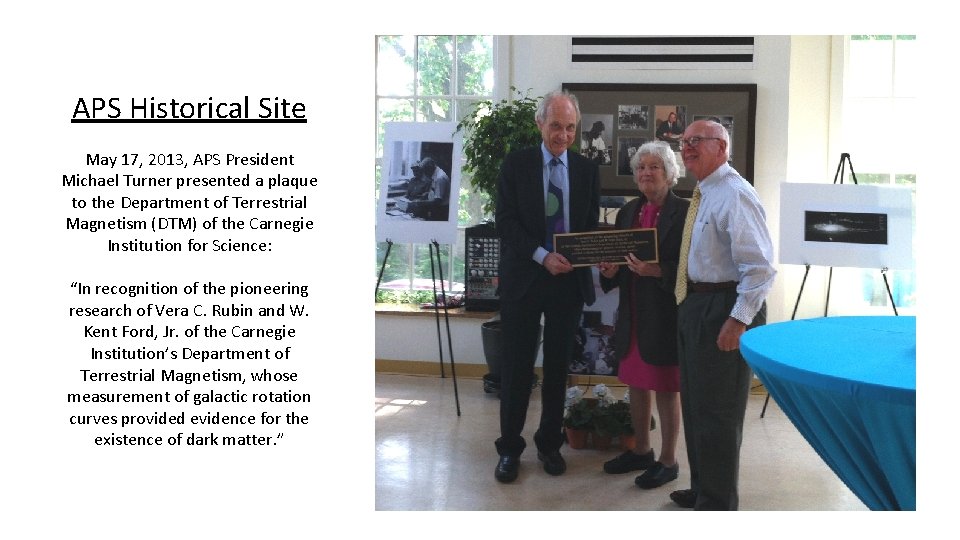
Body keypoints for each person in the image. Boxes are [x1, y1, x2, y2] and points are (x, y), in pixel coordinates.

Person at [493, 90, 600, 483]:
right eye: (556, 126)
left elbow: (588, 225)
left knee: (557, 369)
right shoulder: (516, 164)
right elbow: (505, 222)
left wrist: (594, 254)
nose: (563, 135)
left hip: (567, 283)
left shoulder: (587, 170)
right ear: (540, 123)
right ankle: (509, 448)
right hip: (525, 279)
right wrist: (542, 256)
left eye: (570, 128)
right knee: (517, 368)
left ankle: (550, 444)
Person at [669, 120, 775, 510]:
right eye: (684, 141)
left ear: (723, 147)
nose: (687, 148)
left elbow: (760, 268)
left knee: (718, 412)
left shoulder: (735, 194)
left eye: (697, 140)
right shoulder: (705, 192)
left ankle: (717, 502)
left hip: (724, 308)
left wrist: (738, 320)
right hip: (696, 303)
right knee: (696, 406)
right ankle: (703, 488)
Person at [597, 141, 688, 490]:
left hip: (665, 315)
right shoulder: (628, 211)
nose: (646, 173)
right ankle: (642, 450)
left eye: (654, 167)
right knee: (635, 382)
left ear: (670, 173)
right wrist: (610, 271)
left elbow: (693, 268)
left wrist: (657, 271)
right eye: (640, 168)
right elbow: (622, 262)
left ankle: (669, 461)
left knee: (666, 387)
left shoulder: (685, 212)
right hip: (632, 312)